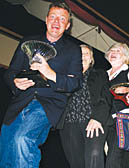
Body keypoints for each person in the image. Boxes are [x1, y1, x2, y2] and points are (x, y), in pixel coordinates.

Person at [0, 2, 83, 167]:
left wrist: (50, 72)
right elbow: (10, 73)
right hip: (20, 103)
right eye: (52, 16)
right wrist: (15, 82)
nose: (56, 22)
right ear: (46, 20)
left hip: (47, 105)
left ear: (67, 26)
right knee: (6, 152)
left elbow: (75, 83)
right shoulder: (28, 42)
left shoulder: (73, 50)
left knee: (23, 139)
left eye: (62, 19)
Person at [58, 44, 112, 168]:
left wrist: (97, 118)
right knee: (76, 162)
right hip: (69, 123)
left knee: (94, 154)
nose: (82, 56)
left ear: (91, 59)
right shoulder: (65, 77)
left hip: (93, 120)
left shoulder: (100, 74)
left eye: (86, 53)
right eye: (79, 53)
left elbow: (106, 97)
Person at [104, 43, 129, 168]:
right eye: (111, 50)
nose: (113, 52)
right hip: (107, 119)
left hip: (123, 118)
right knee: (124, 159)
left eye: (118, 51)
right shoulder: (104, 75)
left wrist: (128, 92)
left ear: (125, 57)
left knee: (113, 159)